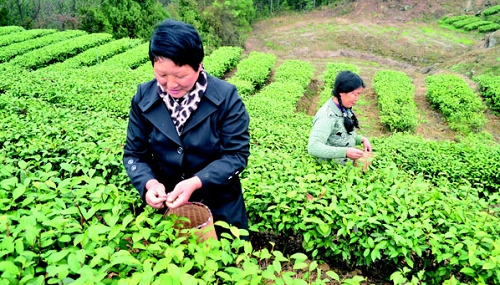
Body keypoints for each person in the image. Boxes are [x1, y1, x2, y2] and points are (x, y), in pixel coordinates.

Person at [123, 19, 250, 238]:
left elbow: (236, 156)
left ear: (199, 65)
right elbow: (134, 154)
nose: (171, 85)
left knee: (224, 266)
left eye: (180, 76)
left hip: (222, 210)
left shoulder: (226, 98)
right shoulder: (143, 99)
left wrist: (195, 182)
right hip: (170, 209)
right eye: (162, 75)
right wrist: (149, 184)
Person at [308, 70, 372, 165]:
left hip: (343, 168)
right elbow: (314, 147)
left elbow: (340, 135)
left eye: (359, 94)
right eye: (354, 94)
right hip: (331, 172)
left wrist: (362, 139)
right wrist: (345, 152)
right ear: (342, 92)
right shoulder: (327, 116)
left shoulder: (345, 108)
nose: (357, 98)